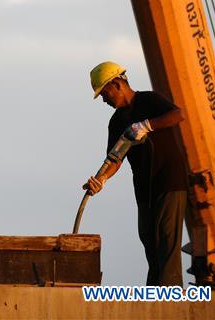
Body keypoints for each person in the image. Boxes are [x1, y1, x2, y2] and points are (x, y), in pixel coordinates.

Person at [83, 61, 189, 286]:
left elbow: (178, 115)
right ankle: (154, 295)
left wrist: (147, 125)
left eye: (104, 93)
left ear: (116, 84)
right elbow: (115, 159)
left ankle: (170, 296)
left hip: (169, 183)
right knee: (150, 244)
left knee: (166, 243)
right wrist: (101, 179)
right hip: (144, 190)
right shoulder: (117, 121)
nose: (104, 100)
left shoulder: (149, 100)